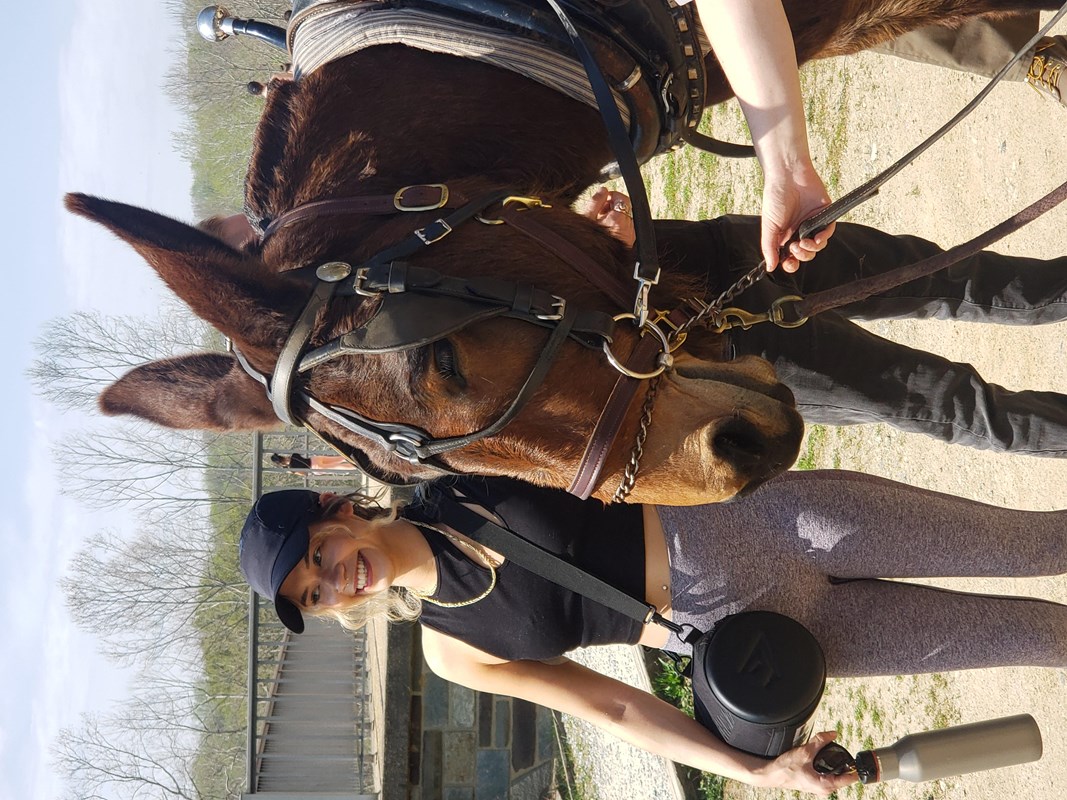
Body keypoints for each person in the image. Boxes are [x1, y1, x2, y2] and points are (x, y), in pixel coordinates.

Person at [239, 472, 1067, 796]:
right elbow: (613, 710)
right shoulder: (451, 650)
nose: (334, 580)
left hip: (769, 524)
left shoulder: (453, 476)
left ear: (334, 512)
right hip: (753, 640)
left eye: (317, 556)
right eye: (314, 594)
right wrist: (755, 771)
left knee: (1032, 544)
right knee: (1034, 637)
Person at [270, 452, 354, 472]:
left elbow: (304, 474)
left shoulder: (291, 468)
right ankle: (352, 457)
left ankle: (355, 466)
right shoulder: (294, 456)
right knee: (337, 459)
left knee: (336, 466)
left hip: (314, 468)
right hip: (314, 459)